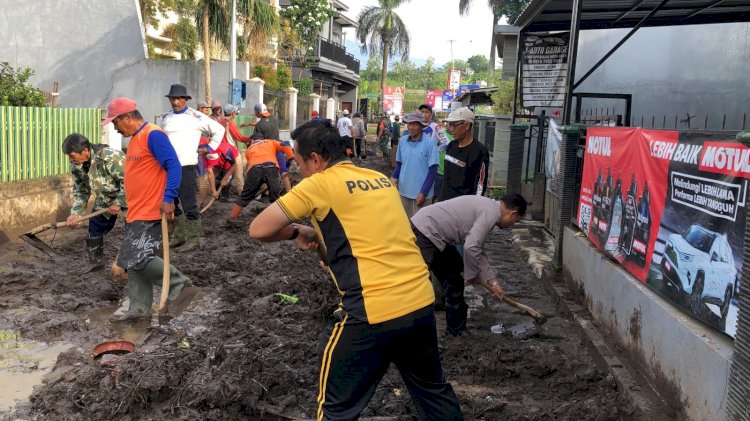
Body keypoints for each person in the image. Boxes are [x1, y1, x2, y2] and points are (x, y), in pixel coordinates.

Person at [248, 119, 463, 421]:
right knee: (433, 392)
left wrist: (298, 232)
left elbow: (258, 229)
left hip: (370, 312)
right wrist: (321, 241)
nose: (299, 171)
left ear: (315, 159)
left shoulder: (319, 183)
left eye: (299, 163)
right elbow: (368, 239)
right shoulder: (379, 180)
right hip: (419, 303)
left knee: (335, 408)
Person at [102, 97, 189, 322]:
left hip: (151, 211)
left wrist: (169, 197)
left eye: (115, 123)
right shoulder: (135, 139)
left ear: (128, 117)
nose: (115, 128)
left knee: (138, 258)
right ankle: (139, 309)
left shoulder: (153, 135)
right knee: (134, 262)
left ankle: (179, 283)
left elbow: (173, 165)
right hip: (136, 211)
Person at [411, 193, 527, 336]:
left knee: (454, 279)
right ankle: (416, 332)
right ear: (513, 214)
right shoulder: (490, 213)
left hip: (437, 237)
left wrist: (493, 282)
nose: (512, 225)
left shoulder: (490, 210)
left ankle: (456, 330)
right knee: (419, 284)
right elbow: (471, 247)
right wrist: (471, 275)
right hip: (425, 231)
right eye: (515, 221)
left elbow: (478, 249)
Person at [160, 84, 226, 252]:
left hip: (185, 165)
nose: (175, 102)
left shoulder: (196, 116)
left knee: (189, 202)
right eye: (172, 99)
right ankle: (180, 236)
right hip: (168, 166)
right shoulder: (166, 117)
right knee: (173, 201)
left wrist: (210, 148)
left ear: (185, 99)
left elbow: (219, 129)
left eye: (179, 98)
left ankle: (194, 239)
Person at [63, 133, 126, 273]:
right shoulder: (76, 166)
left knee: (133, 230)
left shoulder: (109, 157)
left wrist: (119, 202)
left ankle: (130, 264)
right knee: (95, 228)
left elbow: (131, 180)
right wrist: (75, 214)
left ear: (85, 151)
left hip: (133, 196)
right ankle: (96, 263)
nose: (70, 159)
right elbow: (81, 191)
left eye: (72, 155)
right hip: (105, 198)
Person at [226, 133, 294, 226]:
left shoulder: (248, 150)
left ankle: (232, 218)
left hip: (254, 170)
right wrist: (290, 159)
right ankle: (279, 220)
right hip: (271, 168)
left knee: (245, 196)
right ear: (262, 139)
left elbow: (251, 164)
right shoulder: (271, 142)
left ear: (252, 141)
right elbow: (285, 145)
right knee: (275, 196)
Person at [390, 111, 439, 218]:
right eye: (409, 124)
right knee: (405, 225)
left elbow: (433, 171)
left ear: (421, 126)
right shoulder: (402, 141)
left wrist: (423, 192)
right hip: (404, 192)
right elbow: (399, 165)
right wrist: (393, 178)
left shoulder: (430, 144)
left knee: (421, 228)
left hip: (421, 195)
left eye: (415, 124)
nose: (411, 127)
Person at [439, 107, 490, 202]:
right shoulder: (451, 146)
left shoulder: (480, 151)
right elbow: (446, 178)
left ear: (467, 126)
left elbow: (480, 184)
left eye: (454, 125)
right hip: (445, 203)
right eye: (449, 125)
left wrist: (475, 206)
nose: (451, 129)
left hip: (464, 206)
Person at [418, 104, 451, 203]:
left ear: (431, 115)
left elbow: (446, 143)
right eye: (422, 112)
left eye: (426, 112)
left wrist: (435, 150)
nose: (424, 114)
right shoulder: (415, 125)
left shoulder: (435, 127)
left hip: (430, 165)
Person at [220, 104, 252, 197]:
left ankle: (222, 193)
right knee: (239, 174)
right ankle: (241, 194)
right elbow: (239, 137)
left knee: (226, 172)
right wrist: (250, 139)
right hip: (231, 151)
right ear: (233, 113)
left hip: (221, 150)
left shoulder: (219, 121)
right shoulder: (230, 123)